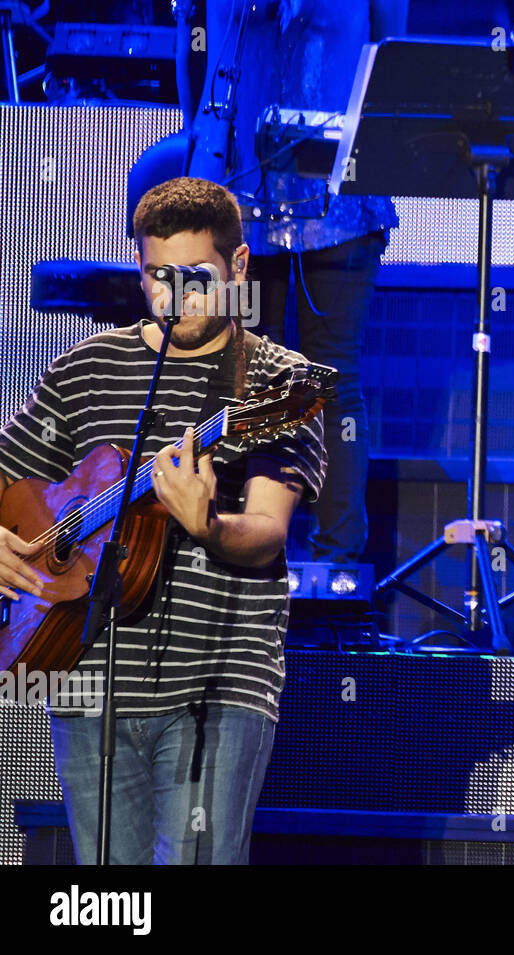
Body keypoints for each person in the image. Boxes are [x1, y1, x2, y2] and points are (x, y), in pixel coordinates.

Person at [0, 177, 326, 864]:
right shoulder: (87, 369)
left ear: (239, 269)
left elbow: (267, 531)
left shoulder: (275, 383)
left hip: (219, 678)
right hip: (86, 672)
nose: (175, 296)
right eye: (157, 276)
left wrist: (208, 526)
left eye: (196, 278)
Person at [173, 0, 407, 563]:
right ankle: (237, 544)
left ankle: (337, 563)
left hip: (338, 205)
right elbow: (195, 53)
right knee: (238, 375)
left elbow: (389, 62)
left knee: (331, 378)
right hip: (238, 196)